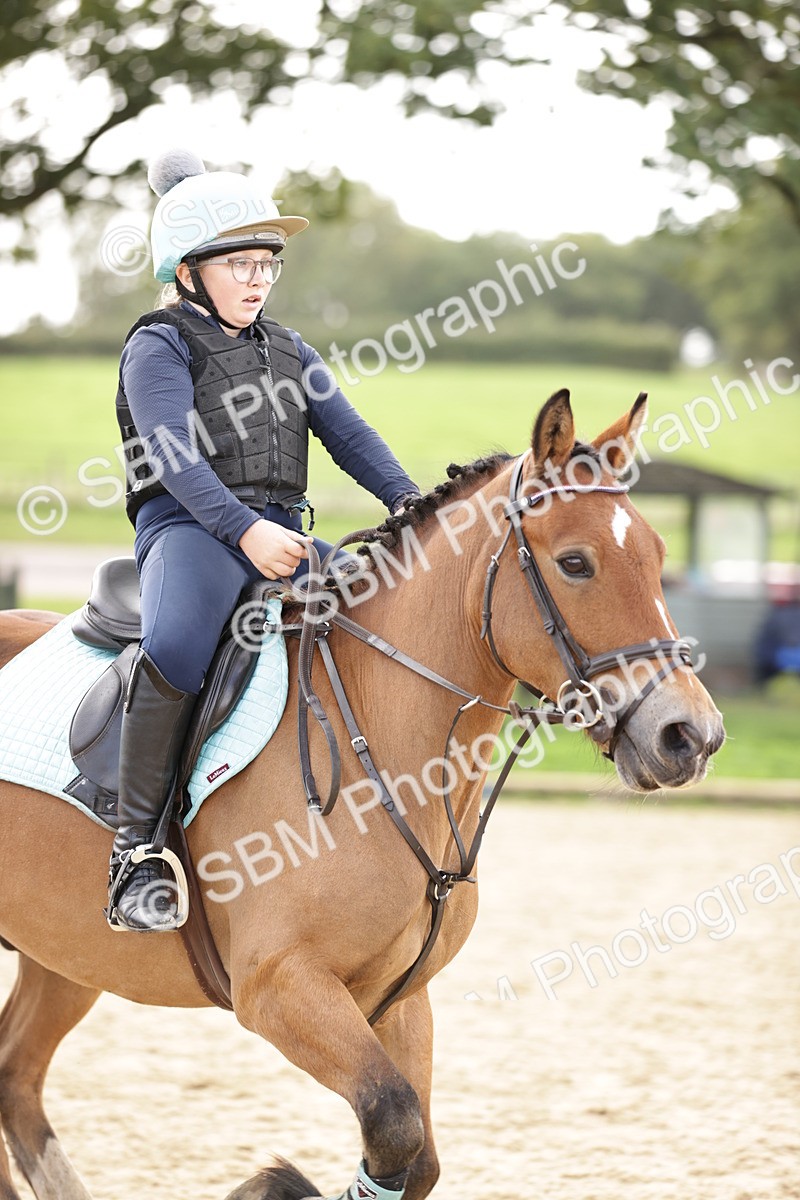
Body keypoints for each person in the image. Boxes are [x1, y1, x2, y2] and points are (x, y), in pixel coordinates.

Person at [107, 149, 420, 932]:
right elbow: (173, 455)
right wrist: (244, 530)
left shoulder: (289, 347)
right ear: (187, 271)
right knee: (176, 645)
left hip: (280, 531)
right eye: (239, 264)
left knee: (387, 610)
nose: (257, 280)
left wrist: (415, 507)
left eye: (267, 265)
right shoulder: (158, 344)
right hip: (189, 529)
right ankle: (135, 852)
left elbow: (351, 436)